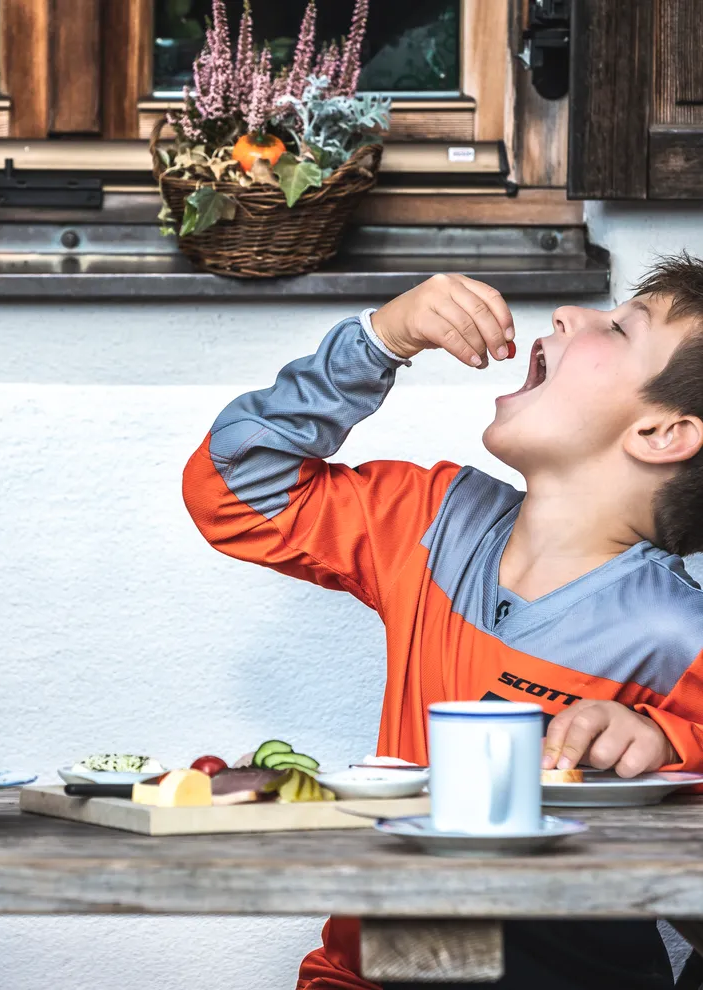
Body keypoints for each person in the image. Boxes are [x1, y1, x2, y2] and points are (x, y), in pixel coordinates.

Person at [183, 254, 703, 990]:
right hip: (369, 974)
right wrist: (378, 339)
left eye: (618, 328)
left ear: (660, 433)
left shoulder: (678, 632)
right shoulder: (431, 521)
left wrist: (666, 739)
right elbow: (233, 488)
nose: (569, 315)